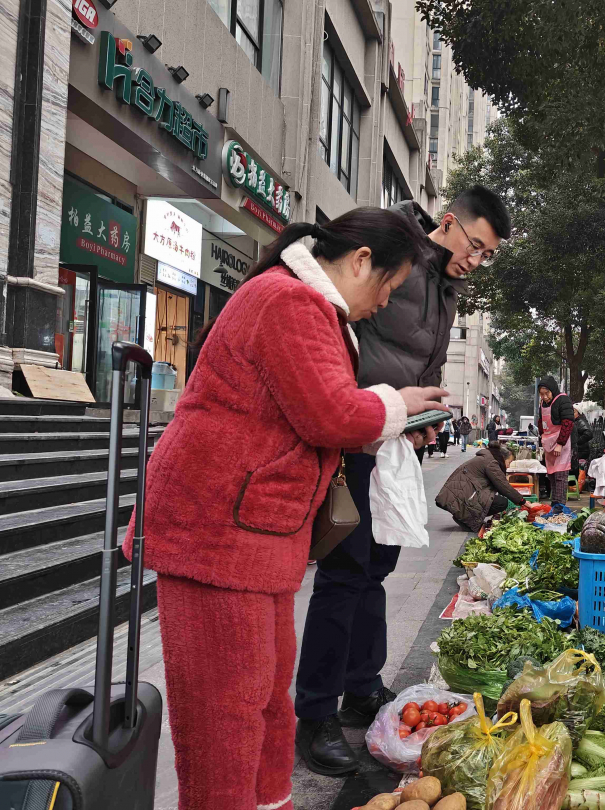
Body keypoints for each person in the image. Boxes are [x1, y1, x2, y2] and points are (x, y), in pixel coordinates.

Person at [122, 211, 447, 810]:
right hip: (215, 531)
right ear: (360, 262)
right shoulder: (287, 302)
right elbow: (330, 414)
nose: (381, 305)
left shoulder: (308, 307)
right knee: (226, 714)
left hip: (255, 533)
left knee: (269, 700)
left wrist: (398, 417)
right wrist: (395, 403)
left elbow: (314, 414)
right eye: (388, 287)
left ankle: (271, 800)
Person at [295, 186, 511, 776]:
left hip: (393, 442)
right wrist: (375, 407)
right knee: (344, 575)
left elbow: (425, 364)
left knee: (376, 572)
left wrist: (419, 422)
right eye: (477, 246)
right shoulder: (395, 254)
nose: (477, 260)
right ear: (449, 224)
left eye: (488, 255)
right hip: (353, 438)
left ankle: (362, 687)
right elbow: (350, 337)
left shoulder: (445, 290)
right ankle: (314, 714)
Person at [435, 440, 526, 531]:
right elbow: (503, 485)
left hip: (462, 493)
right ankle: (465, 518)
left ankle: (463, 515)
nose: (508, 466)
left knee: (493, 499)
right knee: (501, 503)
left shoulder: (488, 457)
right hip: (462, 494)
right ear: (503, 457)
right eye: (509, 462)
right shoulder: (491, 462)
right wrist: (523, 501)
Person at [537, 376, 575, 515]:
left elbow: (568, 422)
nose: (544, 396)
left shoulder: (562, 400)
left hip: (561, 444)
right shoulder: (543, 404)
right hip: (548, 444)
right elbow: (541, 421)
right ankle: (554, 504)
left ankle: (559, 507)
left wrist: (560, 443)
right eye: (541, 394)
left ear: (553, 390)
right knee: (551, 475)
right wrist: (541, 438)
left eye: (546, 393)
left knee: (560, 475)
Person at [569, 404, 594, 491]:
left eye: (574, 411)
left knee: (578, 470)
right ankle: (573, 487)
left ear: (578, 413)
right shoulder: (574, 422)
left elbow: (589, 434)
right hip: (577, 451)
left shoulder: (580, 422)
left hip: (581, 452)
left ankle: (575, 488)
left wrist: (577, 442)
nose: (571, 413)